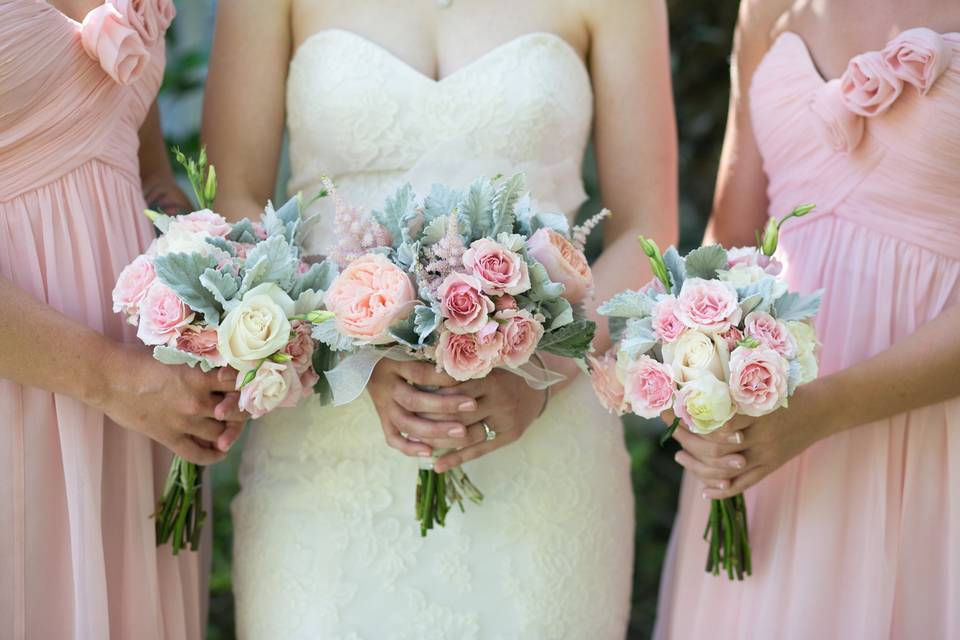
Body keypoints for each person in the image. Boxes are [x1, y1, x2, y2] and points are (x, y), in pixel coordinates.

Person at [203, 0, 677, 636]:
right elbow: (233, 199)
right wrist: (346, 346)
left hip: (544, 439)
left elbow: (649, 225)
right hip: (326, 436)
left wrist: (545, 369)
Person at [656, 1, 960, 637]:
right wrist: (694, 380)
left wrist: (821, 411)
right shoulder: (770, 8)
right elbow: (730, 244)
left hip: (926, 440)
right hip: (765, 447)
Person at [0, 1, 244, 637]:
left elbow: (148, 178)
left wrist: (232, 297)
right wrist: (111, 378)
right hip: (41, 386)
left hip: (145, 412)